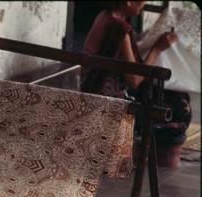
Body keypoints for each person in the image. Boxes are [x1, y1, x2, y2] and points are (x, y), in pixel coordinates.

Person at [80, 1, 192, 167]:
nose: (144, 3)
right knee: (180, 105)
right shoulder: (120, 29)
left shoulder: (104, 16)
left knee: (174, 95)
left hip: (92, 88)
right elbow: (134, 80)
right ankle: (146, 150)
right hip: (111, 101)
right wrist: (157, 48)